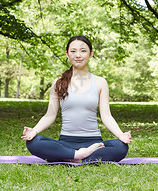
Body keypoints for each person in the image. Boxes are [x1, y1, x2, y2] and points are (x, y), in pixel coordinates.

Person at [22, 35, 132, 163]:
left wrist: (120, 135)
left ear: (91, 54)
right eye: (73, 51)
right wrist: (34, 131)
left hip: (94, 144)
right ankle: (79, 156)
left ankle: (71, 157)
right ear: (67, 54)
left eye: (83, 51)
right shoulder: (58, 82)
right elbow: (50, 115)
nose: (78, 55)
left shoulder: (100, 82)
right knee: (33, 143)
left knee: (120, 147)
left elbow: (106, 116)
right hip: (66, 143)